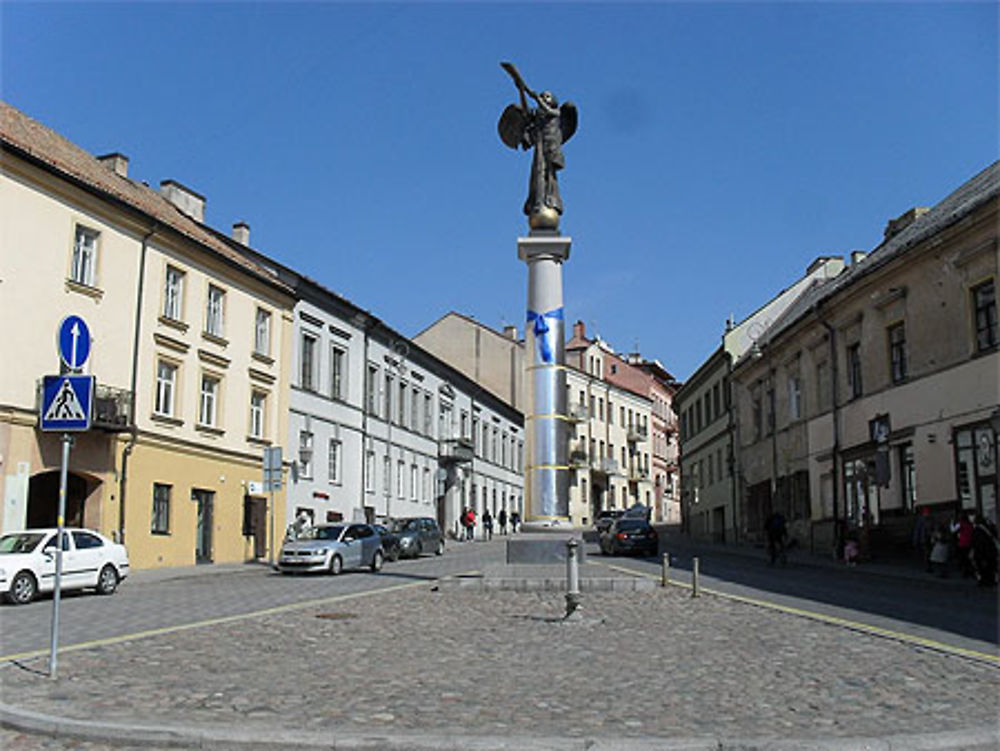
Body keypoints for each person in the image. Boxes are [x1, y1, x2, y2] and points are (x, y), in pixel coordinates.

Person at [971, 515, 998, 587]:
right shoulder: (987, 528)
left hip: (983, 552)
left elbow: (978, 543)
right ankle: (990, 581)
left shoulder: (977, 530)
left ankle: (985, 582)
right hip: (991, 551)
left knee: (983, 568)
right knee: (990, 567)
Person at [912, 506, 932, 572]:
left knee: (928, 553)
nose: (927, 514)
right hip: (924, 539)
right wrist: (915, 540)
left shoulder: (928, 519)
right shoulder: (922, 520)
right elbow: (917, 530)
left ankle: (928, 566)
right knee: (926, 553)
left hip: (927, 538)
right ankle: (927, 567)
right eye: (926, 513)